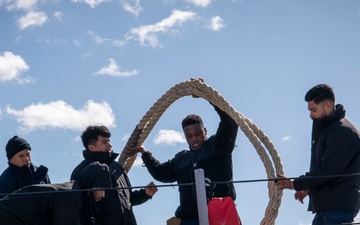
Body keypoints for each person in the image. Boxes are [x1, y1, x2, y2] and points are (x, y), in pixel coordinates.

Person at [124, 81, 241, 225]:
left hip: (220, 216)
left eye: (198, 134)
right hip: (190, 218)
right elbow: (160, 173)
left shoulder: (218, 146)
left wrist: (207, 95)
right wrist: (145, 153)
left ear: (205, 131)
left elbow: (230, 122)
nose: (194, 139)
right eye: (189, 136)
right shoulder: (181, 159)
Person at [276, 84, 360, 225]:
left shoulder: (343, 132)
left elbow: (328, 171)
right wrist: (308, 188)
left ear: (327, 105)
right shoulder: (328, 131)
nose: (310, 115)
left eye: (313, 110)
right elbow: (326, 170)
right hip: (327, 207)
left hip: (338, 208)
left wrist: (296, 184)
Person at [70, 125, 158, 225]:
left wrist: (145, 194)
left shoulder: (117, 168)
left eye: (109, 141)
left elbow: (128, 200)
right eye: (104, 142)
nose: (110, 145)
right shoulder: (80, 171)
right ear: (91, 147)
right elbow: (78, 209)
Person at [0, 181, 82, 225]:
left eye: (28, 154)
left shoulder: (40, 173)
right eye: (21, 156)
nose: (26, 159)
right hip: (13, 216)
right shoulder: (68, 194)